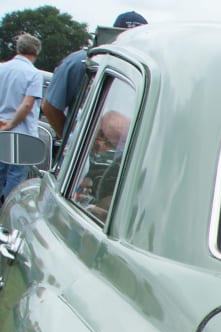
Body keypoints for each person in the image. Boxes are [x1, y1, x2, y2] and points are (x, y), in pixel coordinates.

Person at [42, 12, 148, 137]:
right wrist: (70, 139)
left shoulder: (148, 73)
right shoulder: (79, 63)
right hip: (86, 150)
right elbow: (50, 108)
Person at [0, 33, 45, 200]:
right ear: (36, 51)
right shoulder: (33, 74)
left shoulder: (1, 68)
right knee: (15, 182)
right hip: (21, 134)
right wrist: (11, 124)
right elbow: (27, 105)